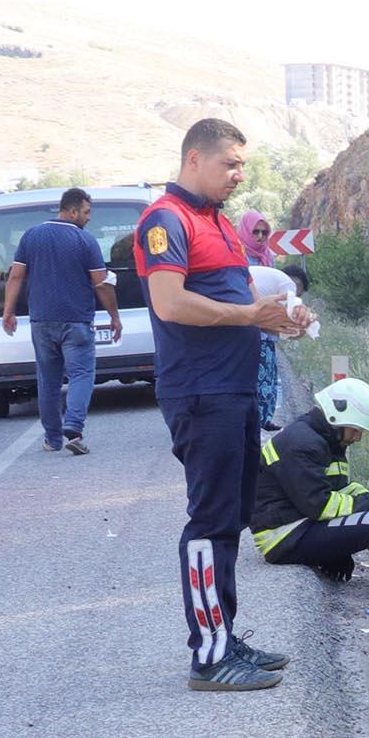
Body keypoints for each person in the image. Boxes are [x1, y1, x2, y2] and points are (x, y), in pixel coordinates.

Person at [137, 119, 312, 692]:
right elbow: (169, 303)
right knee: (209, 523)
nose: (239, 175)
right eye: (229, 164)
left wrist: (282, 317)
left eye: (241, 165)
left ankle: (224, 637)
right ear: (194, 159)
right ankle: (209, 658)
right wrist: (248, 317)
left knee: (232, 519)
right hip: (201, 391)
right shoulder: (167, 220)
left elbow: (237, 297)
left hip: (233, 389)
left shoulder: (216, 222)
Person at [251, 376, 369, 608]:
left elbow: (342, 489)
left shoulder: (328, 439)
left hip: (301, 524)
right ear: (338, 416)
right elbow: (319, 505)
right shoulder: (302, 443)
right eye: (356, 430)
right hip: (284, 537)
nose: (358, 437)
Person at [1, 189, 122, 454]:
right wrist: (114, 315)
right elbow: (101, 283)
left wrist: (8, 311)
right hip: (76, 321)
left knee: (48, 380)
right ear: (72, 211)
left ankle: (53, 439)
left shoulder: (31, 236)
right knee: (81, 374)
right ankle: (74, 429)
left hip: (41, 321)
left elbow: (16, 277)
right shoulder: (84, 241)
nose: (89, 218)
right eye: (86, 212)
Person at [239, 208, 284, 429]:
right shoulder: (238, 254)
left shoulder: (269, 256)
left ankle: (265, 417)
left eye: (263, 233)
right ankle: (251, 419)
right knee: (250, 375)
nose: (259, 237)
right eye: (255, 231)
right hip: (245, 322)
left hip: (267, 325)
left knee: (269, 372)